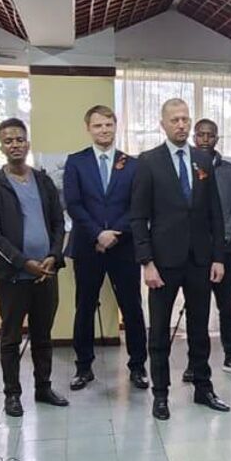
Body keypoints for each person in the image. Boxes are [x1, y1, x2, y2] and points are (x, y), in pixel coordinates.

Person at [130, 98, 230, 421]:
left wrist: (218, 257)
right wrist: (146, 262)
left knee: (200, 328)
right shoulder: (148, 161)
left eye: (185, 119)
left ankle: (203, 388)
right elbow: (138, 217)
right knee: (158, 331)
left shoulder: (203, 159)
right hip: (162, 262)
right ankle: (161, 395)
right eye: (175, 120)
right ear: (163, 124)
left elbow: (215, 212)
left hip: (200, 261)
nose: (182, 125)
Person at [0, 119, 68, 418]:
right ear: (1, 146)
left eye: (19, 139)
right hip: (12, 277)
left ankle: (43, 388)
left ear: (27, 143)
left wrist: (54, 256)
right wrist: (23, 263)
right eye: (8, 140)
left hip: (46, 274)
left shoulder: (43, 181)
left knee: (43, 336)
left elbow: (59, 223)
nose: (15, 144)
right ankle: (12, 395)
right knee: (11, 337)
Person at [61, 105, 149, 392]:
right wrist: (98, 233)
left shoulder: (132, 164)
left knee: (132, 308)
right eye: (98, 125)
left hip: (123, 248)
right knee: (84, 307)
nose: (104, 130)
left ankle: (137, 367)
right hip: (88, 246)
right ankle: (83, 368)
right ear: (88, 128)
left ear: (115, 126)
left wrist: (115, 233)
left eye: (108, 124)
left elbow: (138, 205)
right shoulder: (76, 162)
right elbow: (73, 204)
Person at [194, 118, 231, 378]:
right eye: (201, 135)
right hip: (194, 253)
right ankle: (195, 362)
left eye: (211, 135)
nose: (206, 139)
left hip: (226, 251)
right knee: (197, 309)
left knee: (227, 307)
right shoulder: (186, 167)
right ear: (194, 138)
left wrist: (221, 236)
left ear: (217, 139)